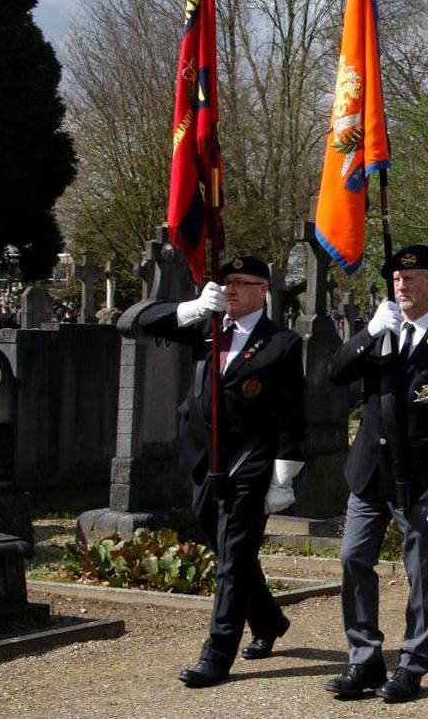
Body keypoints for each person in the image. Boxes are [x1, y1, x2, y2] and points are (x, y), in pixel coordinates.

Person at [139, 256, 306, 688]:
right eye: (225, 282)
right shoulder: (207, 328)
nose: (230, 290)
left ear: (263, 290)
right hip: (202, 460)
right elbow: (134, 321)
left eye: (240, 283)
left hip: (248, 461)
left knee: (232, 561)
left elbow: (291, 415)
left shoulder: (280, 344)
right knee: (232, 552)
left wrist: (283, 477)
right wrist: (191, 308)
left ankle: (217, 653)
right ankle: (269, 620)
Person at [325, 246, 428, 703]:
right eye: (397, 279)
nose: (402, 285)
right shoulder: (380, 333)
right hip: (371, 473)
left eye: (412, 278)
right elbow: (335, 373)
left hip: (423, 479)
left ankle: (412, 665)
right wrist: (367, 334)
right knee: (354, 559)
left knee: (422, 575)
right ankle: (365, 657)